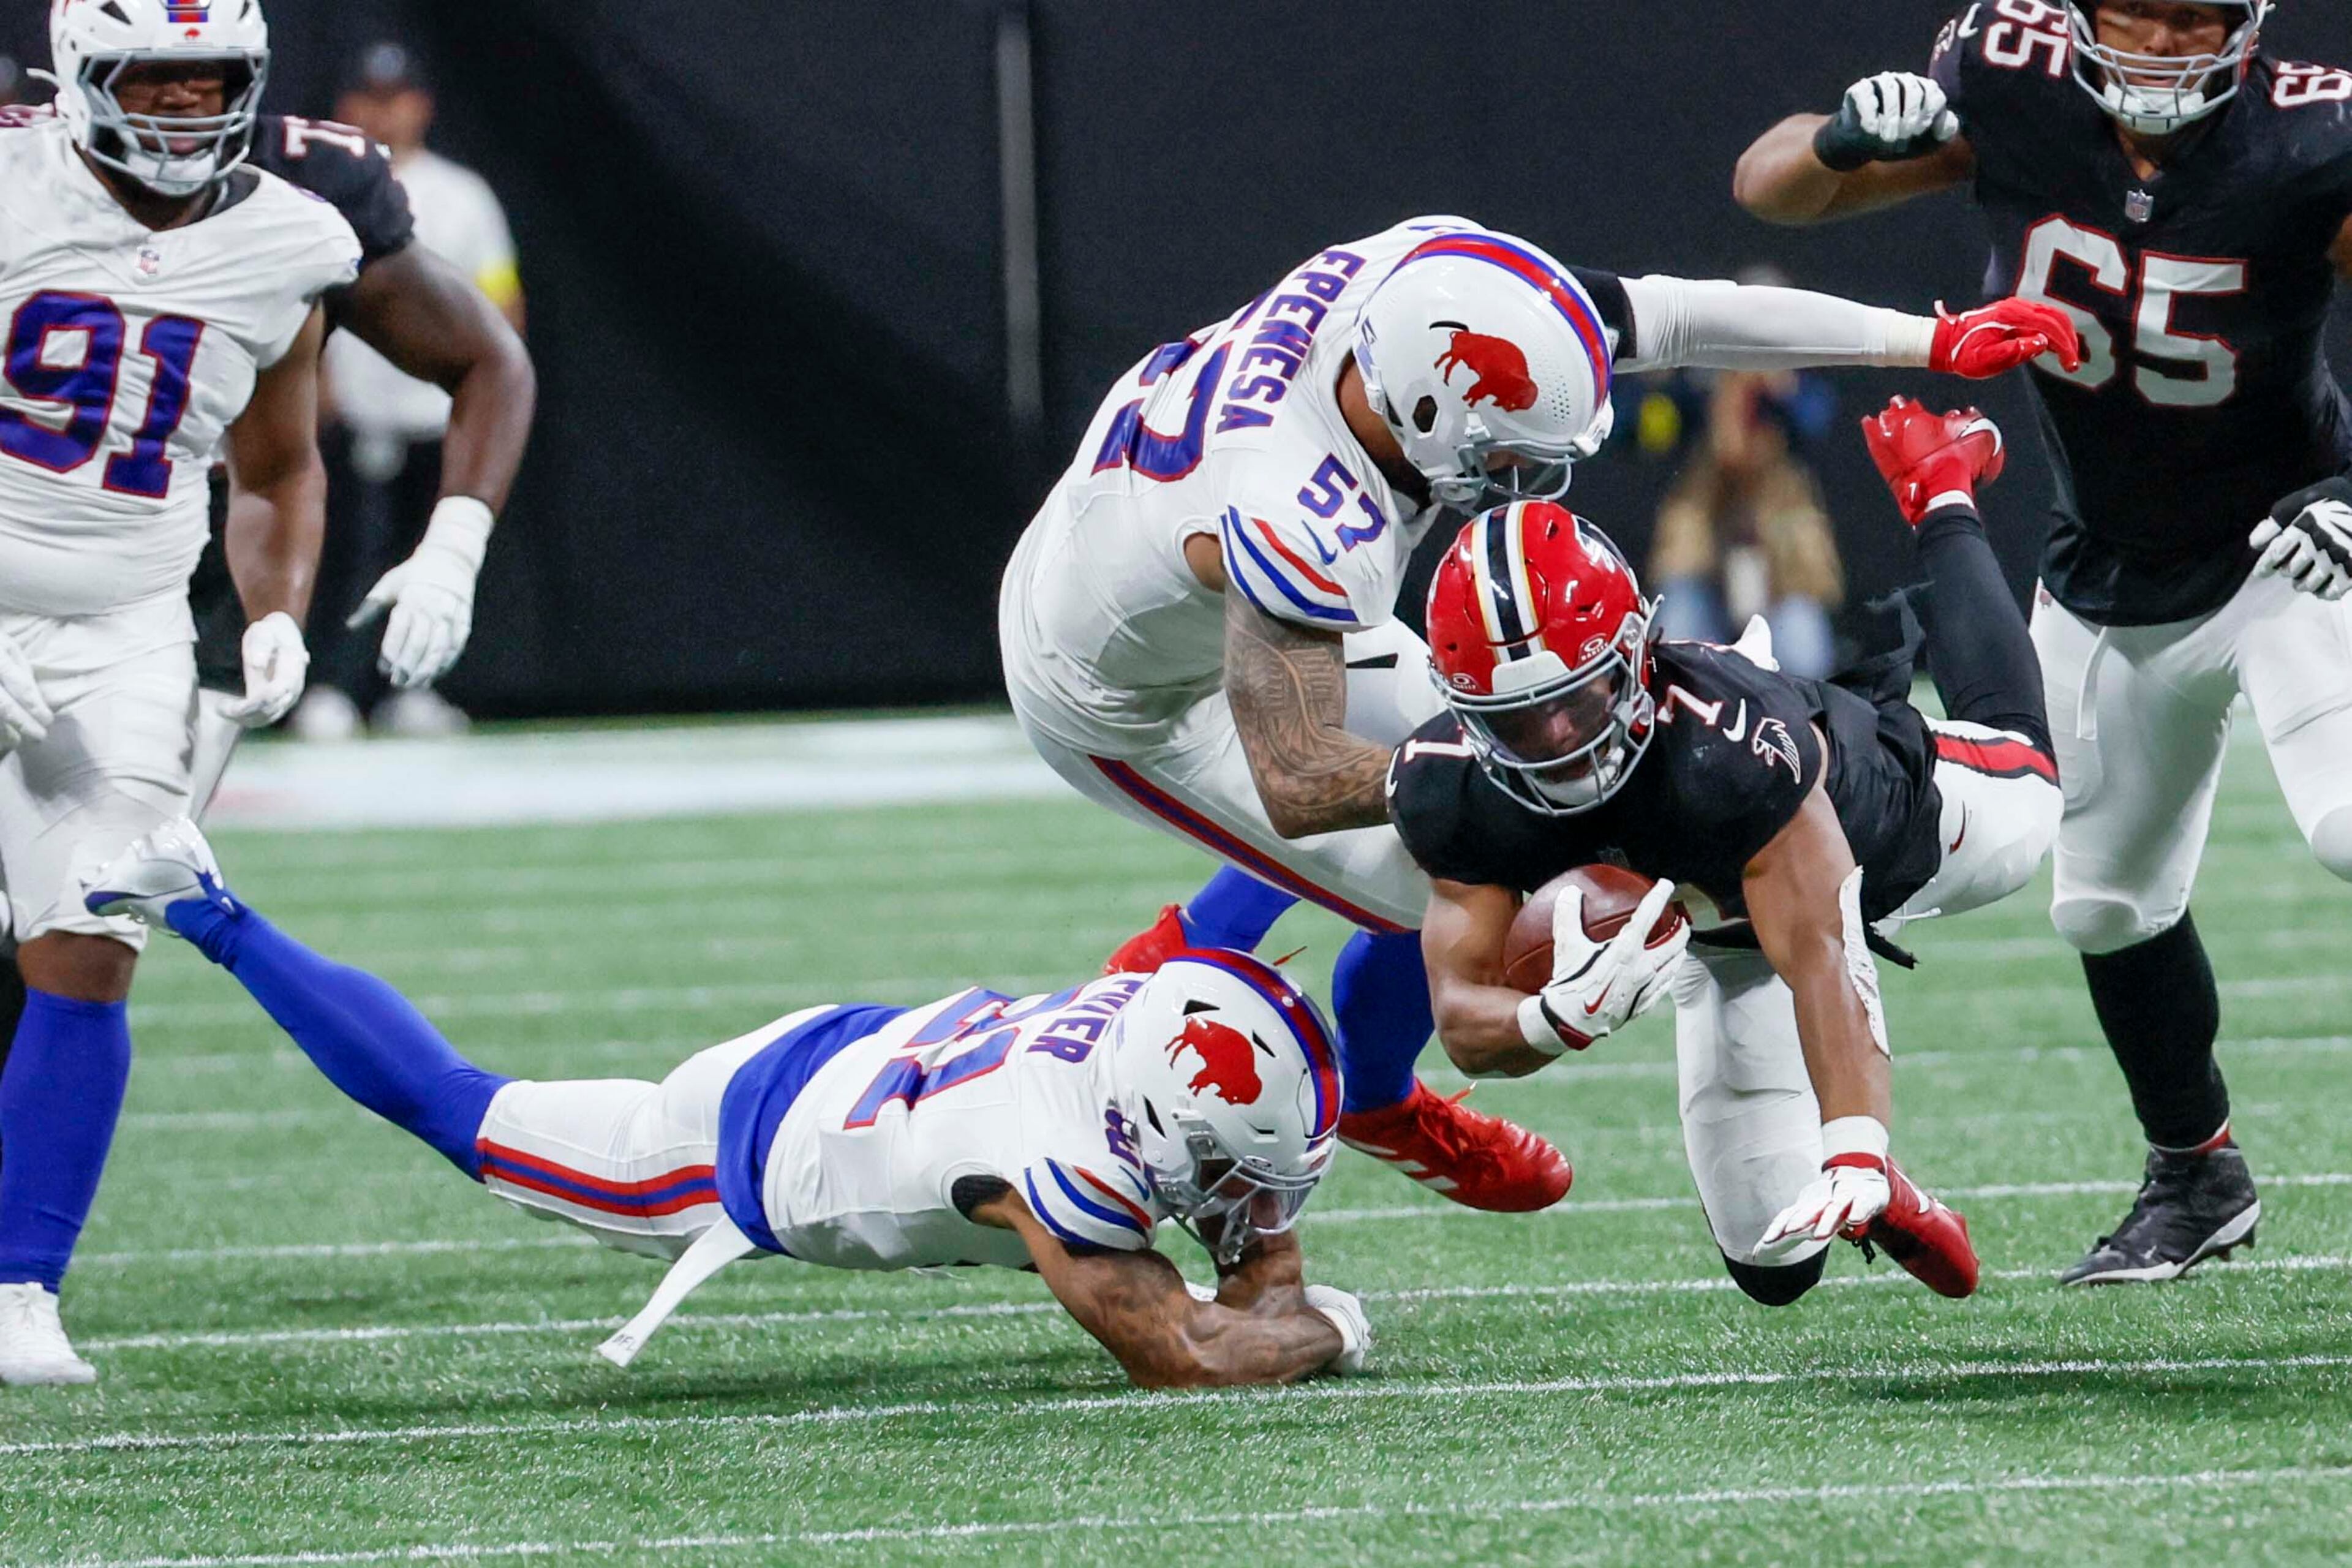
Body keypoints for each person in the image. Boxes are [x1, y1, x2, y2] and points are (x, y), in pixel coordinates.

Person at [1009, 213, 2079, 1213]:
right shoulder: (1294, 509)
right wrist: (1499, 794)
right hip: (1124, 693)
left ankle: (1219, 964)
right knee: (1465, 854)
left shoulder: (1437, 294)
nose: (1529, 484)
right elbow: (1293, 776)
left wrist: (1925, 341)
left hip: (1184, 571)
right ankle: (1363, 1084)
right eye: (1509, 461)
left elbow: (1669, 316)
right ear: (1430, 413)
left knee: (1502, 782)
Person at [1731, 0, 2352, 1284]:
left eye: (2196, 21)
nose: (2166, 47)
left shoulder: (2310, 136)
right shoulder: (2011, 81)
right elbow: (1769, 189)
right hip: (2106, 563)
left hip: (2292, 548)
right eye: (2139, 13)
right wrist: (1844, 140)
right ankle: (2197, 1175)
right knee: (2107, 902)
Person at [82, 818, 1370, 1389]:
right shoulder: (1063, 1160)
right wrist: (1329, 1333)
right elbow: (1191, 1354)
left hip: (858, 1048)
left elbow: (1252, 1272)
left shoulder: (1161, 1022)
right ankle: (210, 907)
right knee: (460, 1109)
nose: (1268, 1204)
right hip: (738, 1150)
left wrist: (1274, 1285)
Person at [1389, 399, 2061, 1305]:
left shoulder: (1726, 746)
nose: (1558, 739)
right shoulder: (1447, 783)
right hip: (1717, 933)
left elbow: (1824, 951)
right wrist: (1551, 1021)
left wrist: (1854, 1143)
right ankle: (1893, 1199)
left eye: (1580, 701)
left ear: (1637, 653)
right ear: (1466, 713)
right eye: (1519, 718)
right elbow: (1462, 1018)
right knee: (1771, 1263)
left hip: (1885, 830)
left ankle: (1941, 488)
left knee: (2030, 786)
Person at [0, 0, 360, 1385]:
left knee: (94, 927)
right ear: (80, 75)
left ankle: (22, 1282)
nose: (180, 110)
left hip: (126, 622)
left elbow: (275, 470)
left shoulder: (290, 240)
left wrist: (273, 611)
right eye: (153, 79)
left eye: (207, 82)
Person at [296, 40, 524, 741]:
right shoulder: (329, 187)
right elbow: (307, 298)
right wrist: (318, 380)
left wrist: (487, 387)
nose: (383, 113)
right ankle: (333, 683)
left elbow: (500, 307)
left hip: (439, 411)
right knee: (349, 552)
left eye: (395, 98)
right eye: (368, 98)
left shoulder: (461, 193)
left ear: (421, 105)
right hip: (365, 407)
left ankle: (416, 685)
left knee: (437, 550)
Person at [1648, 366, 1845, 679]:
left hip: (1778, 541)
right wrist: (1677, 389)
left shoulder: (1782, 375)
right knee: (1674, 650)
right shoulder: (1693, 377)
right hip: (1703, 535)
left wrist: (1781, 390)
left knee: (1803, 662)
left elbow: (1818, 419)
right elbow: (1642, 428)